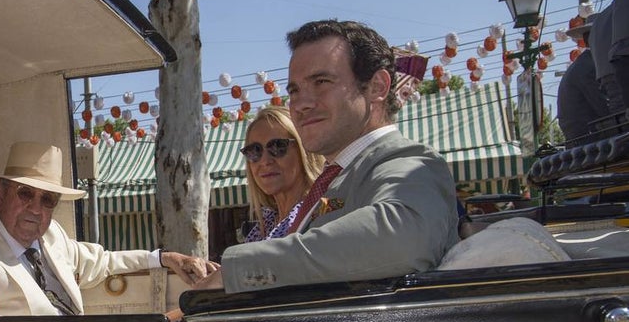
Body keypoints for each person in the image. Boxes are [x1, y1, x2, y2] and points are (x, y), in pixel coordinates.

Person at [196, 19, 459, 293]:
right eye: (294, 90)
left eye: (321, 82)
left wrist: (241, 270)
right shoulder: (336, 177)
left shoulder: (409, 162)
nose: (301, 104)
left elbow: (405, 238)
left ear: (377, 86)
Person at [0, 141, 218, 316]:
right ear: (0, 193)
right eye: (25, 194)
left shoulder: (52, 235)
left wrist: (164, 258)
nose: (36, 209)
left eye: (48, 199)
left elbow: (103, 261)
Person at [241, 105, 324, 241]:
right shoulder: (264, 226)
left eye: (277, 146)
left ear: (305, 151)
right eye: (254, 151)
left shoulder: (321, 213)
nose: (265, 161)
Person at [558, 13, 609, 143]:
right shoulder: (588, 67)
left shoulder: (584, 63)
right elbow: (604, 107)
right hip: (589, 140)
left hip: (582, 139)